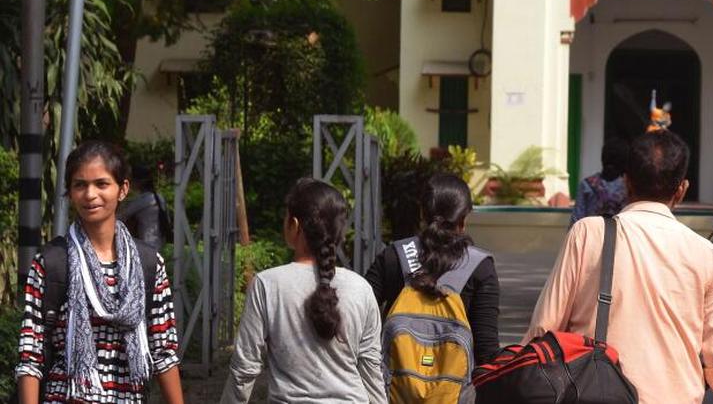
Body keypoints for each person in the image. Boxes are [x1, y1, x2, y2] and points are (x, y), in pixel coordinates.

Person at [525, 131, 713, 404]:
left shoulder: (588, 233)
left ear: (626, 181)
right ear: (682, 189)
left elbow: (543, 330)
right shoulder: (704, 253)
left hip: (595, 395)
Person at [15, 140, 183, 404]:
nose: (90, 194)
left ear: (122, 189)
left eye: (102, 184)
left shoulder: (148, 264)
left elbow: (163, 352)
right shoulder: (50, 262)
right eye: (80, 185)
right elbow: (30, 356)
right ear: (70, 192)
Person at [222, 179, 385, 404]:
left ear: (294, 225)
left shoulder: (268, 285)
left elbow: (245, 368)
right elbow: (371, 370)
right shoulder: (361, 289)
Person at [365, 173, 501, 366]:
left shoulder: (394, 255)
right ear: (463, 218)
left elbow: (360, 317)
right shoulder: (481, 267)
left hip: (393, 383)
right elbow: (486, 352)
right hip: (457, 385)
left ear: (422, 213)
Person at [570, 137, 630, 225]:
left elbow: (576, 219)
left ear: (602, 158)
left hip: (591, 232)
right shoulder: (629, 188)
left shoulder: (587, 184)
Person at [118, 163, 170, 251]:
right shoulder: (159, 197)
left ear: (138, 182)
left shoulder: (143, 200)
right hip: (159, 245)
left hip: (146, 245)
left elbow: (121, 216)